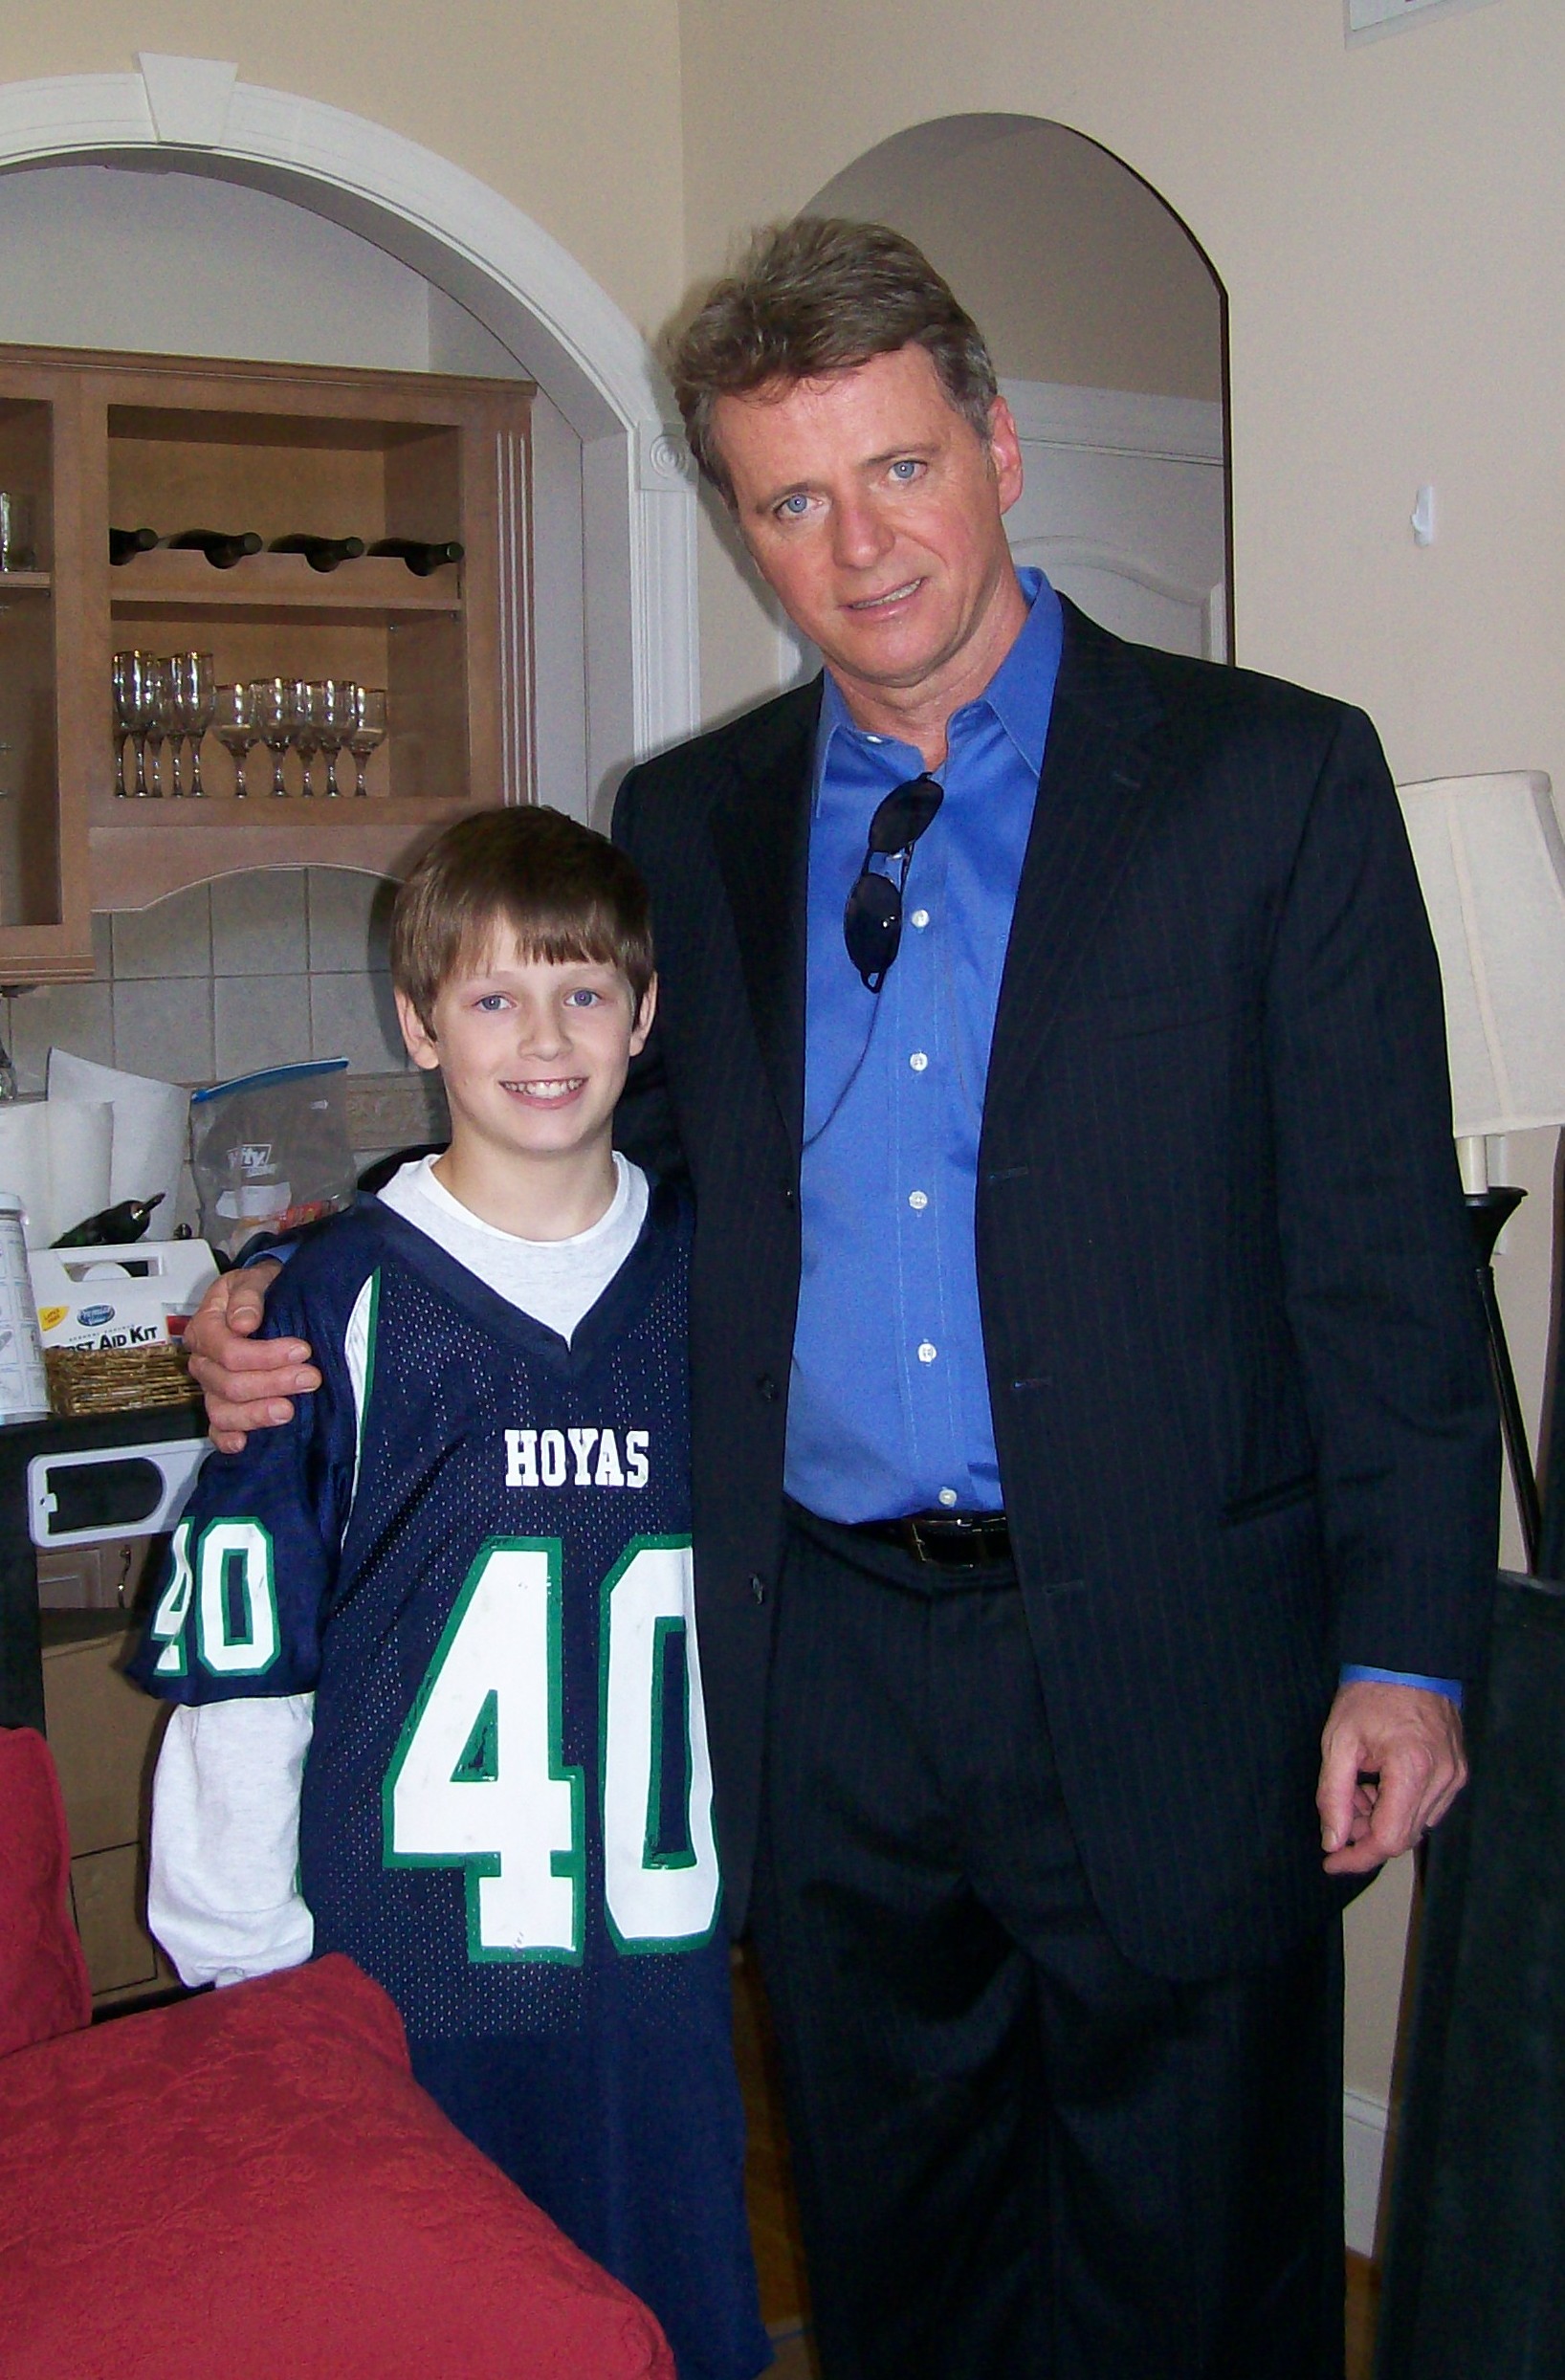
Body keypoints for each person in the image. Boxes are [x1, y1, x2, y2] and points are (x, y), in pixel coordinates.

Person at [186, 221, 1497, 2380]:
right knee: (904, 2249)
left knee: (1200, 2256)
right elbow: (614, 1156)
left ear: (990, 448)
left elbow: (1374, 1253)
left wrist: (1405, 1648)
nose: (855, 542)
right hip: (820, 1668)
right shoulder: (689, 820)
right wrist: (314, 1271)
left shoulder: (1271, 779)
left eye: (893, 469)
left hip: (1177, 1649)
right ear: (741, 526)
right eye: (789, 499)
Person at [133, 807, 770, 2380]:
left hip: (653, 1963)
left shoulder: (723, 1275)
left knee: (660, 2333)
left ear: (646, 1014)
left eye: (582, 994)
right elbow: (248, 1652)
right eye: (492, 999)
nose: (543, 1039)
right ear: (418, 1022)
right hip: (404, 1965)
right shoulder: (331, 1301)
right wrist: (238, 1954)